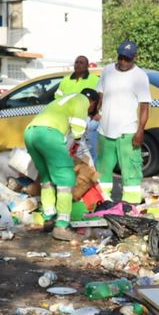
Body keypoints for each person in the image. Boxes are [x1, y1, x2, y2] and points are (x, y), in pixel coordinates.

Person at [24, 88, 100, 241]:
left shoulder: (63, 100)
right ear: (92, 103)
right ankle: (62, 226)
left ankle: (49, 219)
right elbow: (78, 130)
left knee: (46, 178)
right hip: (49, 134)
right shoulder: (82, 100)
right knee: (66, 178)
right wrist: (77, 145)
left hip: (31, 133)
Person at [96, 40, 151, 204]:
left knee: (131, 170)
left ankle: (131, 204)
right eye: (120, 58)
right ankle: (103, 201)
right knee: (103, 170)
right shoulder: (107, 71)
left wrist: (140, 130)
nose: (123, 62)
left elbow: (144, 106)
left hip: (128, 131)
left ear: (134, 57)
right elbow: (100, 94)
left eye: (127, 59)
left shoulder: (140, 76)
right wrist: (96, 114)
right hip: (104, 130)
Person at [55, 55, 101, 160]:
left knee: (90, 152)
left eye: (81, 63)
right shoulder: (66, 80)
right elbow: (57, 98)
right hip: (68, 120)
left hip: (88, 119)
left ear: (87, 66)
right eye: (76, 62)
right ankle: (76, 173)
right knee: (71, 150)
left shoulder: (95, 79)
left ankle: (92, 174)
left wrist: (99, 113)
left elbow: (103, 98)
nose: (78, 64)